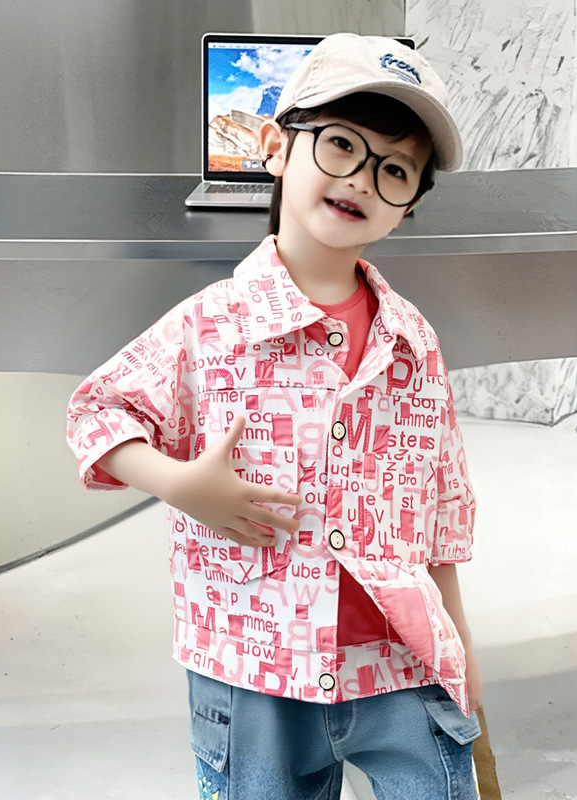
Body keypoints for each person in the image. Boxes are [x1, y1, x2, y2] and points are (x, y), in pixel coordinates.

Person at [67, 32, 482, 800]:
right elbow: (98, 410)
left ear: (409, 207)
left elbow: (441, 511)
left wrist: (458, 646)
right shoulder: (208, 325)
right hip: (250, 665)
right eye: (340, 144)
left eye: (395, 169)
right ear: (275, 147)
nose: (361, 178)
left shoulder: (412, 341)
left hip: (398, 661)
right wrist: (181, 485)